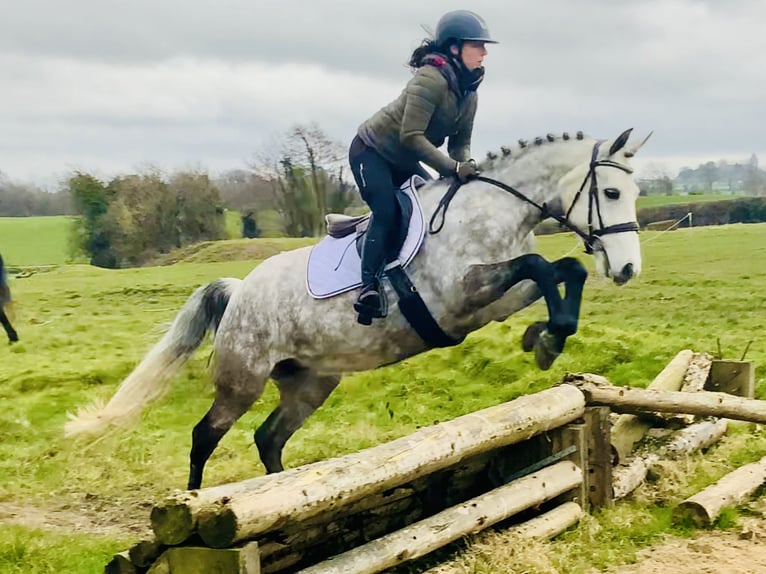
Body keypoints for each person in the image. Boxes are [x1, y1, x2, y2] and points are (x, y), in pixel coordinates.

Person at [348, 9, 497, 325]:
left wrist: (465, 165)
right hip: (371, 152)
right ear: (454, 47)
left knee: (433, 205)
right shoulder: (430, 80)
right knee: (388, 212)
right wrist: (453, 167)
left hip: (403, 158)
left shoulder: (469, 94)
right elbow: (411, 136)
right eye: (477, 45)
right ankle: (367, 288)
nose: (485, 52)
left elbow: (459, 145)